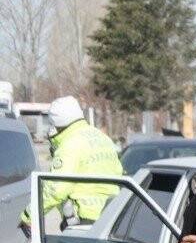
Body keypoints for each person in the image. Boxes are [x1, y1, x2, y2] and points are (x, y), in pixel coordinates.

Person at [21, 96, 122, 230]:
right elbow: (119, 173)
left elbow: (56, 189)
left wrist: (28, 215)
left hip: (83, 220)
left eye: (52, 123)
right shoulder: (103, 138)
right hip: (112, 216)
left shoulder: (69, 145)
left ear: (58, 123)